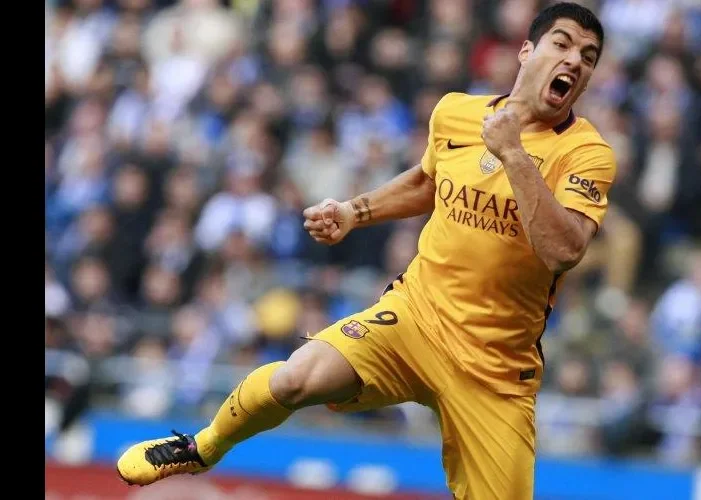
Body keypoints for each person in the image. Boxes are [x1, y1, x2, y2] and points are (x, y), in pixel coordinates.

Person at [116, 3, 615, 498]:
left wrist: (513, 153)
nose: (574, 61)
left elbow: (563, 250)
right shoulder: (456, 113)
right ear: (527, 51)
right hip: (416, 318)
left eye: (588, 56)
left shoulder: (586, 154)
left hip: (496, 366)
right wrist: (356, 211)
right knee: (297, 378)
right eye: (562, 44)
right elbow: (427, 181)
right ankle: (202, 447)